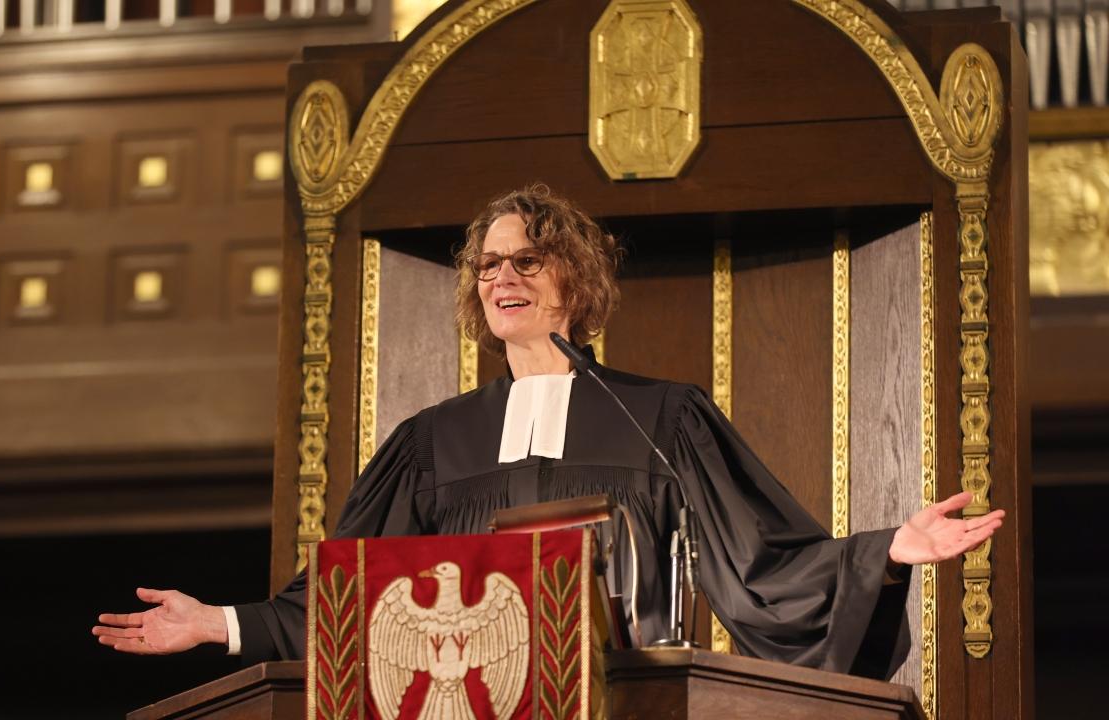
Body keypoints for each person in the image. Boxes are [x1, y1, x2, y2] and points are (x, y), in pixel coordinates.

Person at [94, 185, 1004, 680]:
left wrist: (889, 549)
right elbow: (344, 598)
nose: (502, 279)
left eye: (527, 259)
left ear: (576, 277)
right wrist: (215, 623)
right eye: (488, 265)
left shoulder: (660, 419)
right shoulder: (431, 443)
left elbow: (763, 568)